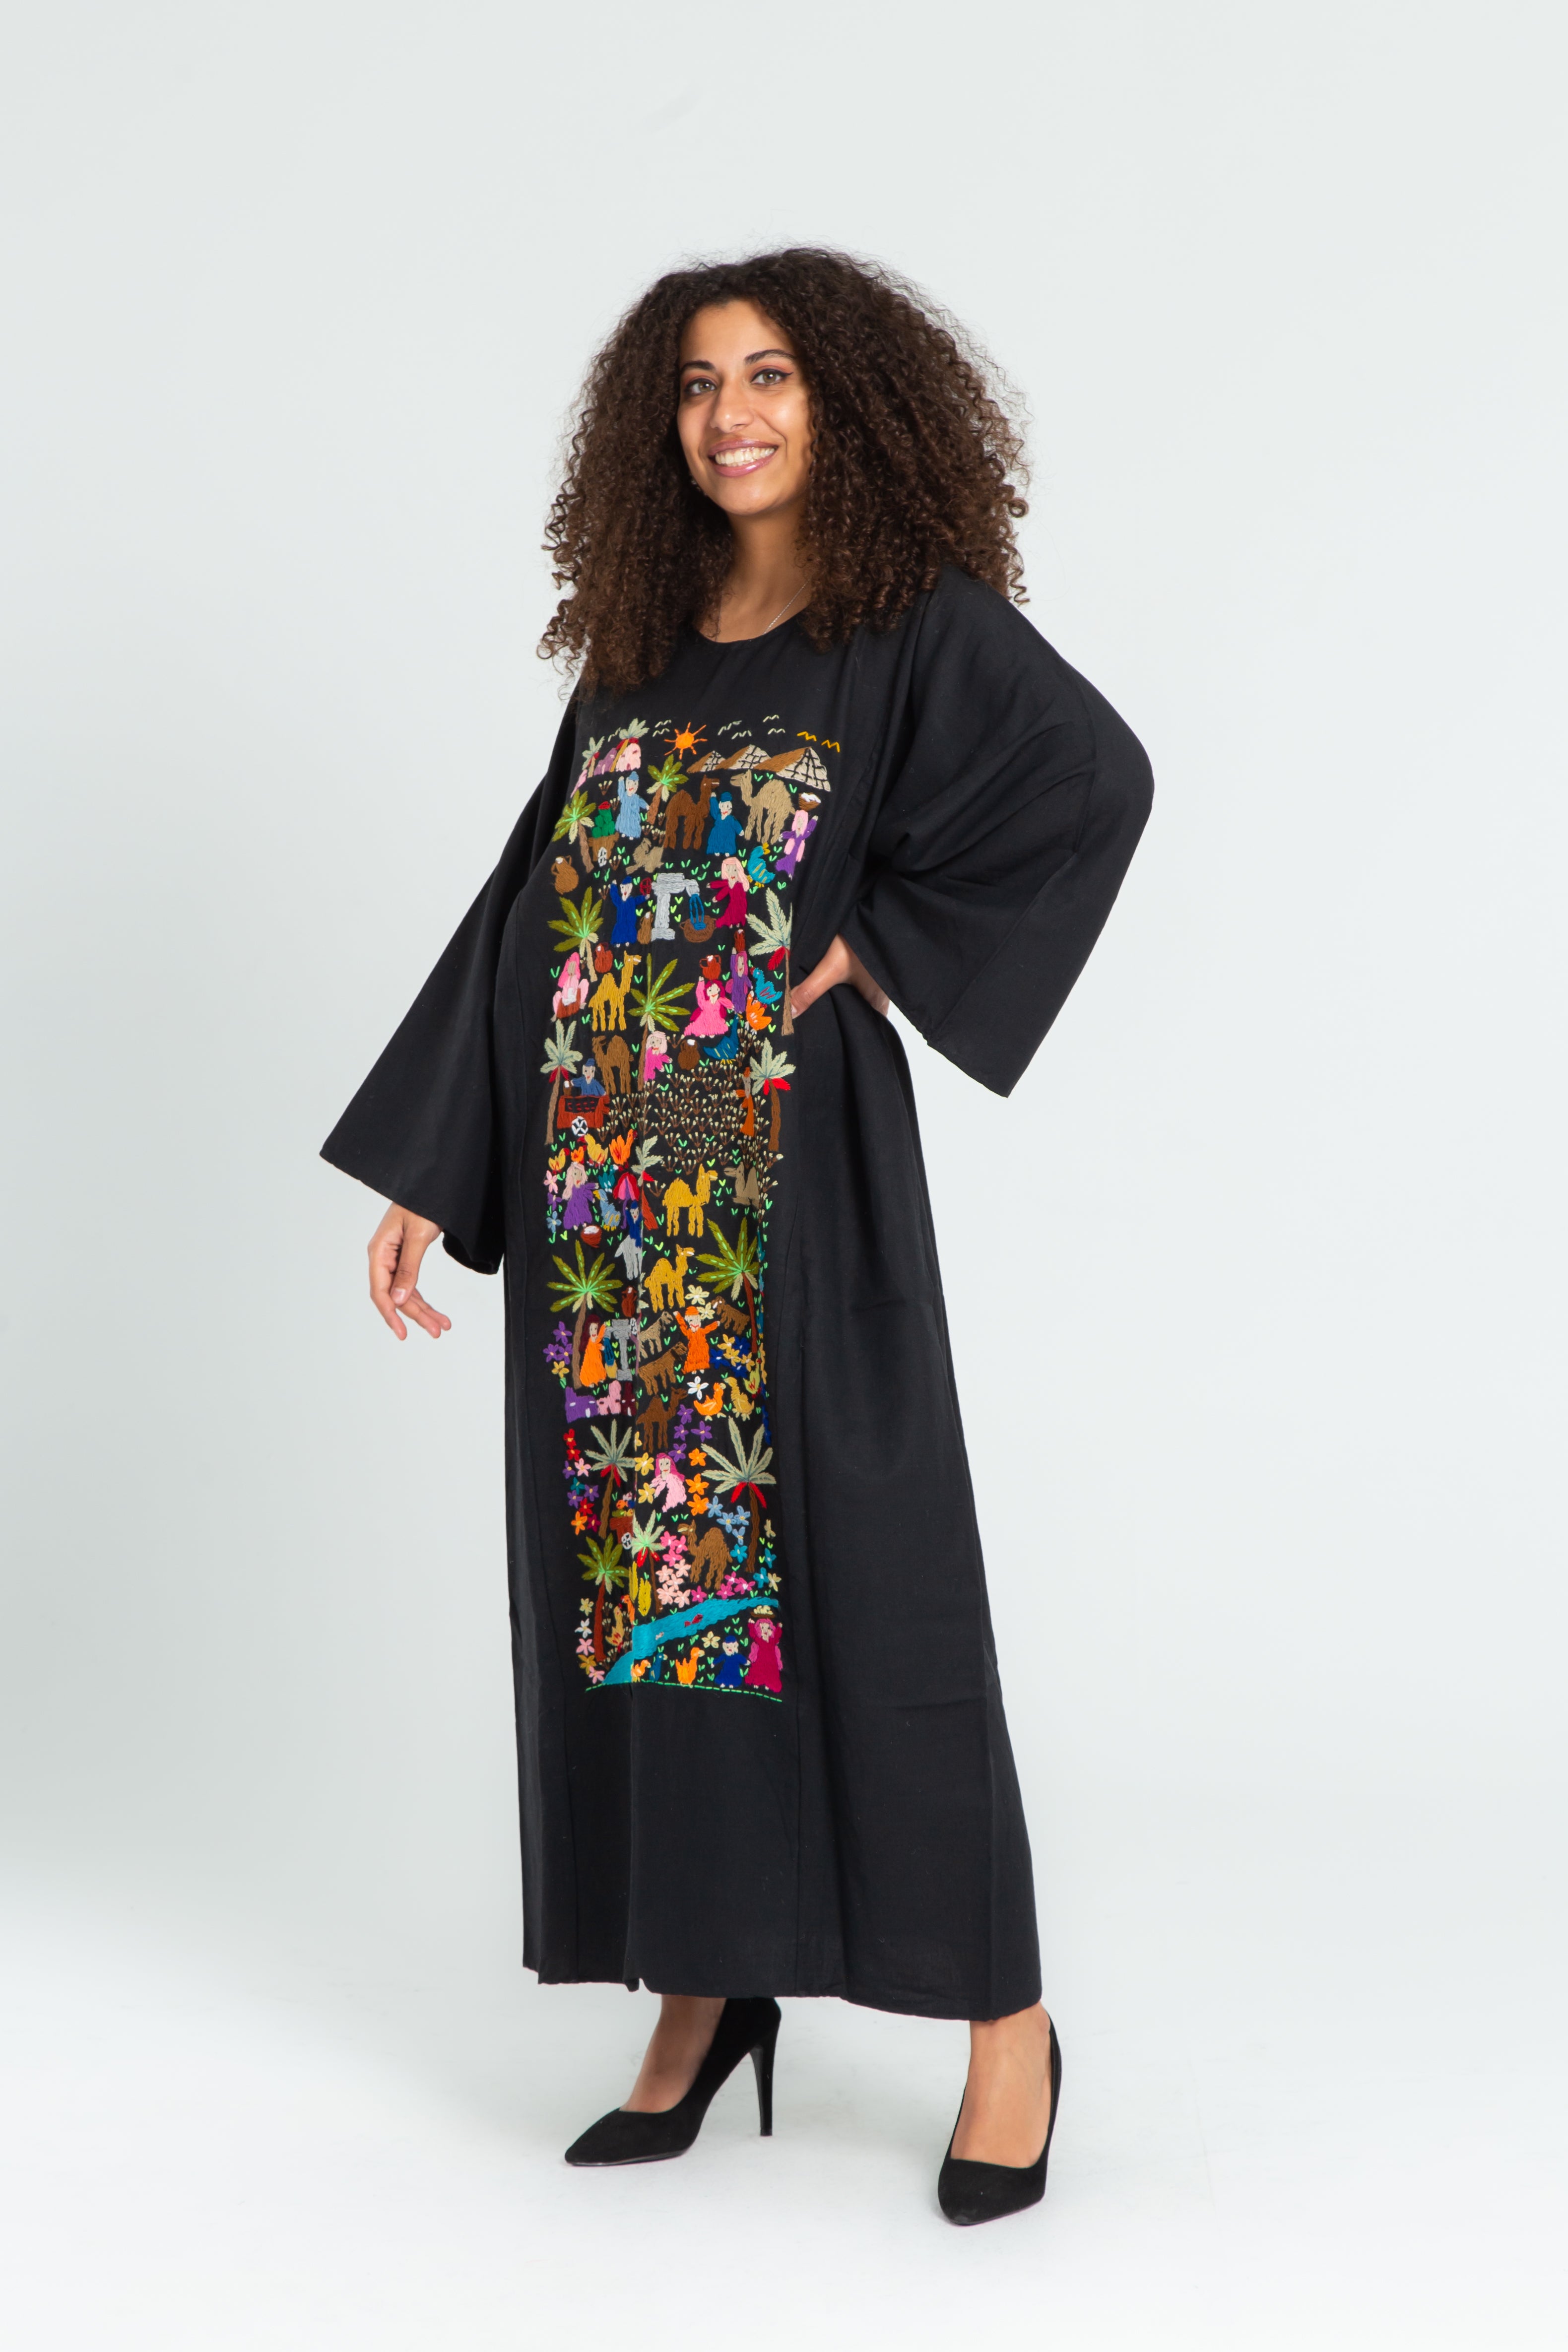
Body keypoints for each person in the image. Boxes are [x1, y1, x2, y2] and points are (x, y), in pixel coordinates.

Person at [322, 248, 1152, 2226]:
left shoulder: (908, 624)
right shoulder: (643, 642)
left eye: (769, 374)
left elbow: (1092, 779)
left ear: (838, 402)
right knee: (658, 1595)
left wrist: (881, 944)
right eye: (699, 383)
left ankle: (1008, 2027)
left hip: (780, 1175)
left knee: (879, 1588)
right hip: (618, 1193)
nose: (733, 414)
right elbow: (534, 894)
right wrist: (440, 1161)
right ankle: (701, 1990)